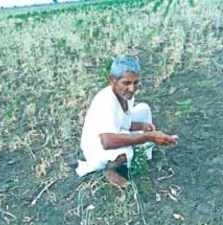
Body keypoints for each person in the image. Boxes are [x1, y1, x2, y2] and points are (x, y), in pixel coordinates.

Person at [76, 55, 178, 187]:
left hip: (112, 134)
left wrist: (141, 126)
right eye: (126, 83)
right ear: (112, 80)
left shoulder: (125, 94)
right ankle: (110, 170)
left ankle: (144, 154)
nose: (132, 88)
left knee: (144, 109)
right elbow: (107, 141)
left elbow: (122, 121)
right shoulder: (106, 102)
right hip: (96, 147)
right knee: (126, 151)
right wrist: (147, 136)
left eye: (135, 83)